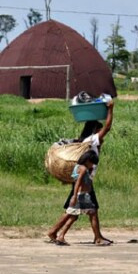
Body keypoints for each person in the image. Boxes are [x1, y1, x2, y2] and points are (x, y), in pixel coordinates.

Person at [47, 101, 114, 246]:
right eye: (99, 130)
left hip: (84, 179)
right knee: (89, 210)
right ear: (95, 130)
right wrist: (110, 109)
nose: (102, 137)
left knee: (74, 211)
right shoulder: (93, 140)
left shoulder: (85, 141)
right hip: (84, 181)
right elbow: (108, 127)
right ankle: (97, 238)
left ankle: (55, 232)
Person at [54, 151, 99, 245]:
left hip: (80, 195)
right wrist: (74, 196)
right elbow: (78, 182)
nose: (92, 166)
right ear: (87, 161)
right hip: (83, 196)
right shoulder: (83, 169)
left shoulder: (77, 167)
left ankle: (61, 236)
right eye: (92, 163)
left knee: (73, 216)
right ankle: (98, 238)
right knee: (93, 212)